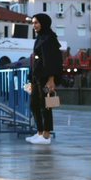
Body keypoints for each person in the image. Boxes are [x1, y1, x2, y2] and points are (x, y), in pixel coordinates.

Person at [26, 13, 63, 144]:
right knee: (34, 104)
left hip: (46, 77)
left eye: (36, 23)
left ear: (44, 23)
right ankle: (40, 132)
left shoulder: (50, 38)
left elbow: (53, 60)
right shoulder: (40, 37)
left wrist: (51, 78)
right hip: (37, 76)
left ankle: (46, 135)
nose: (34, 25)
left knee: (46, 105)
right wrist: (31, 79)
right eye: (33, 23)